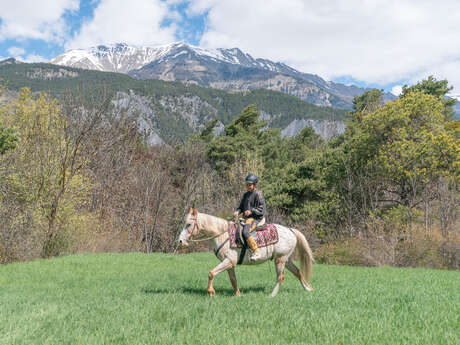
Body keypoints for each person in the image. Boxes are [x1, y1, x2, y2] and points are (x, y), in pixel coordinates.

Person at [233, 173, 266, 261]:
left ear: (255, 185)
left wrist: (251, 211)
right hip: (246, 218)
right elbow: (241, 207)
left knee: (245, 232)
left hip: (255, 218)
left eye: (250, 184)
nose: (248, 186)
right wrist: (237, 211)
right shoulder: (245, 195)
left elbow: (262, 209)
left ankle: (256, 251)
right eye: (247, 184)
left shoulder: (258, 194)